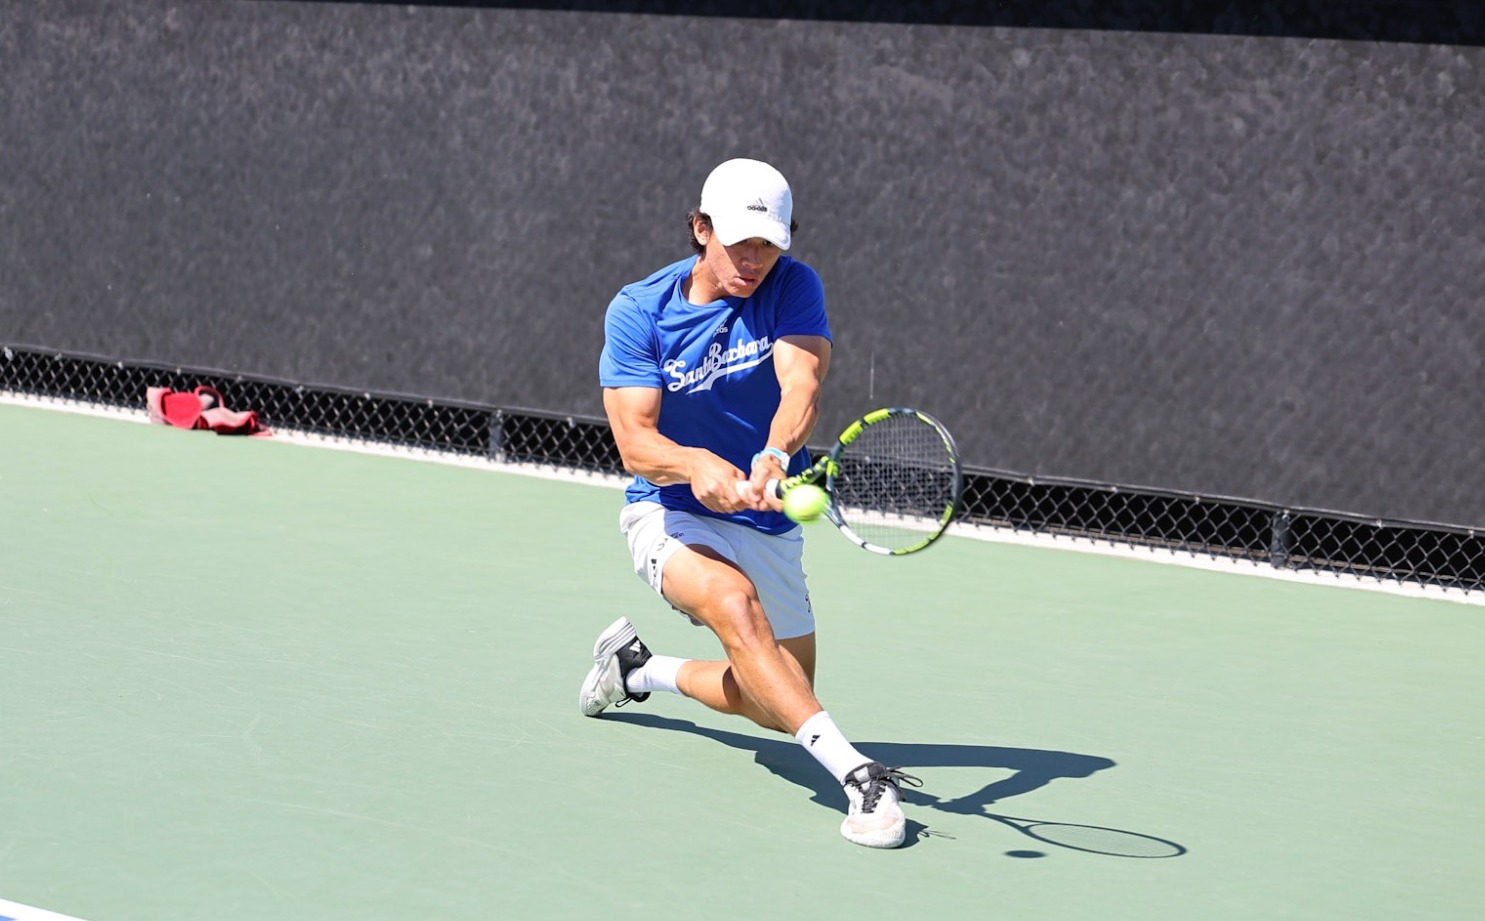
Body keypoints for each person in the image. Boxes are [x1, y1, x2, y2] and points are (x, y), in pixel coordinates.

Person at [582, 157, 919, 849]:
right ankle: (859, 777)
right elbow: (633, 442)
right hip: (669, 513)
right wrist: (692, 464)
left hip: (763, 518)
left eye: (767, 243)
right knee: (736, 607)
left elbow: (800, 385)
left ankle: (638, 669)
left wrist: (771, 455)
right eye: (738, 242)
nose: (753, 259)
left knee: (774, 701)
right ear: (700, 229)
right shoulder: (639, 310)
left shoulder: (793, 286)